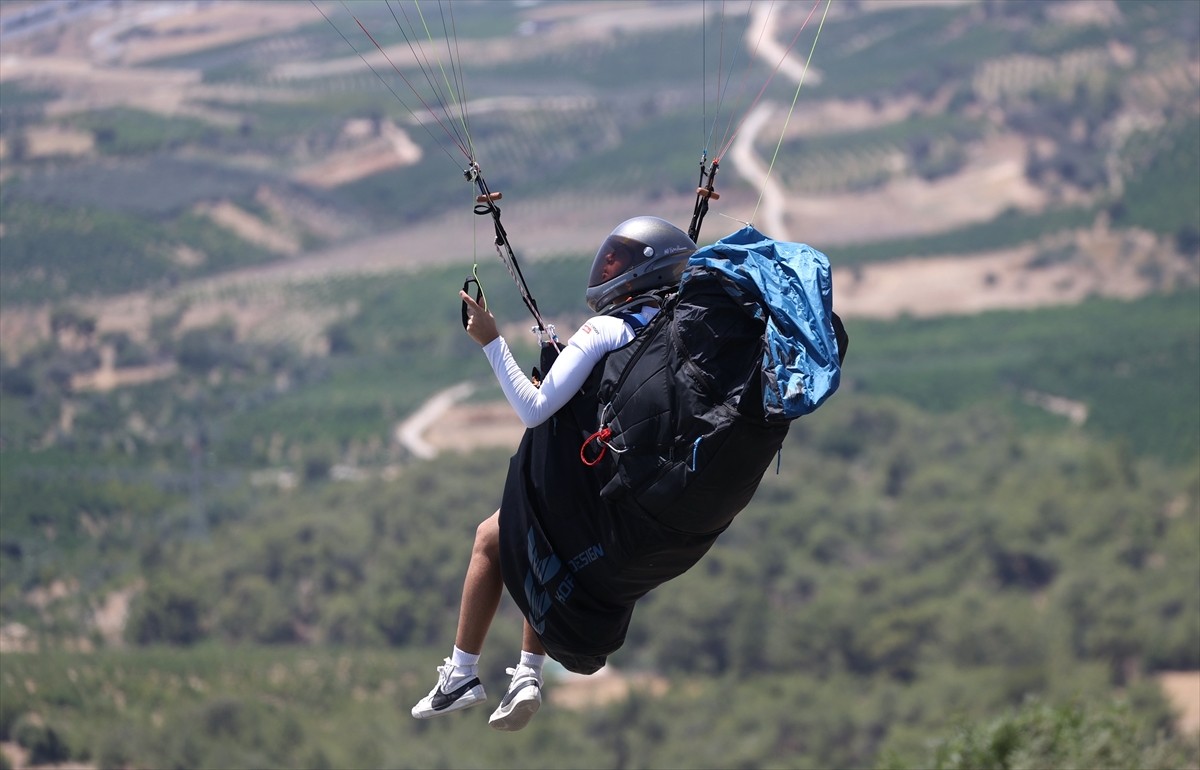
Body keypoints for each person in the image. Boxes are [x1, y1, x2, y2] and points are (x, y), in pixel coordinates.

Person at [411, 216, 697, 731]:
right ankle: (526, 673)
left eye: (620, 260)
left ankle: (462, 673)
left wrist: (492, 342)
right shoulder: (672, 329)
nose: (608, 266)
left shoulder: (604, 328)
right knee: (548, 541)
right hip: (622, 489)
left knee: (494, 536)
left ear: (643, 272)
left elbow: (535, 408)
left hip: (588, 476)